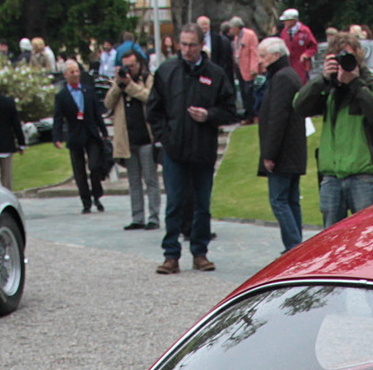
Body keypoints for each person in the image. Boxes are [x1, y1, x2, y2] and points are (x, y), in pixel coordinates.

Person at [147, 25, 239, 273]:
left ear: (201, 46)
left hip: (202, 148)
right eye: (183, 44)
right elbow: (154, 111)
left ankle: (200, 252)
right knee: (175, 202)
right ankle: (171, 254)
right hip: (174, 150)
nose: (187, 50)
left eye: (192, 45)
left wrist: (209, 115)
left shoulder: (215, 74)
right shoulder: (167, 71)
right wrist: (165, 138)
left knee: (202, 204)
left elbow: (231, 110)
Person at [294, 34, 373, 226]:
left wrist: (355, 83)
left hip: (362, 175)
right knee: (330, 242)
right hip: (332, 177)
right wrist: (322, 79)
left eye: (349, 56)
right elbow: (299, 106)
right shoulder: (328, 88)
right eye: (338, 57)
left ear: (359, 58)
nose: (344, 62)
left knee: (367, 236)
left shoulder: (371, 85)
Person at [254, 37, 306, 252]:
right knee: (290, 200)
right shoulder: (288, 74)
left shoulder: (281, 77)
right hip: (291, 152)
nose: (261, 60)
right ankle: (296, 245)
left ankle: (294, 247)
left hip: (284, 153)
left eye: (264, 56)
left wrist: (269, 154)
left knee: (280, 200)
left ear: (276, 55)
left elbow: (278, 117)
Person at [106, 48, 161, 230]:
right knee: (134, 181)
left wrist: (130, 85)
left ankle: (154, 216)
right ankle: (137, 217)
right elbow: (107, 103)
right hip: (127, 140)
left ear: (140, 64)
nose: (129, 69)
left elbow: (150, 97)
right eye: (126, 66)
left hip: (145, 138)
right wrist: (118, 85)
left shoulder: (147, 78)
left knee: (151, 179)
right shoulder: (120, 83)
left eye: (133, 65)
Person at [52, 59, 108, 213]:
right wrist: (56, 136)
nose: (76, 74)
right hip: (75, 135)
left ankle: (97, 194)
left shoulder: (88, 90)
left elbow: (97, 113)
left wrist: (104, 132)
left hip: (90, 132)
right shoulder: (62, 96)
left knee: (94, 166)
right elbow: (58, 117)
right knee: (79, 171)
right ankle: (86, 201)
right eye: (72, 72)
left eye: (77, 71)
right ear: (65, 75)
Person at [279, 9, 320, 80]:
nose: (284, 22)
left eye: (286, 20)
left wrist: (306, 54)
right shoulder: (284, 32)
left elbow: (313, 46)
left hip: (302, 66)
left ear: (293, 20)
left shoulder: (304, 31)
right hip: (289, 65)